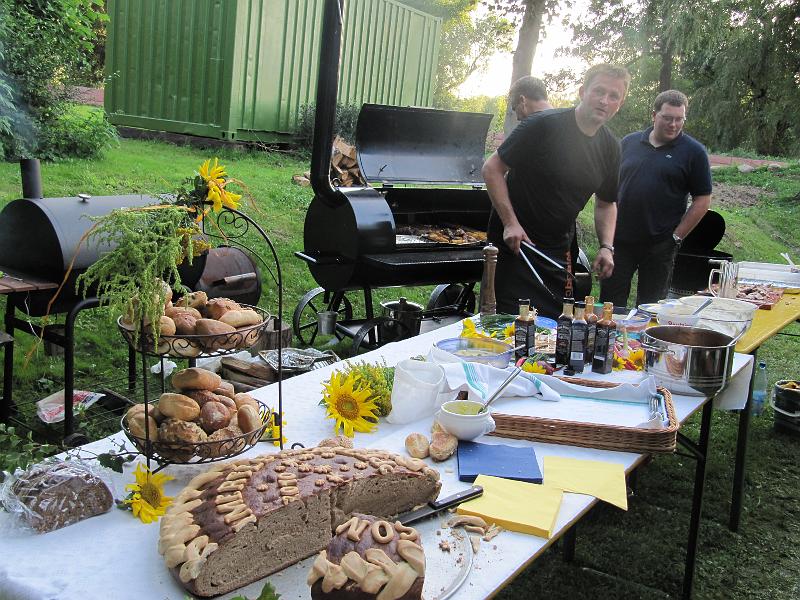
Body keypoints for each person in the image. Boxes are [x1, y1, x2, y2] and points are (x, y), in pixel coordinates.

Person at [482, 64, 630, 318]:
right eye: (599, 91)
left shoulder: (610, 147)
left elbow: (606, 203)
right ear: (583, 91)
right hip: (517, 244)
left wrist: (607, 246)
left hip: (558, 250)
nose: (605, 101)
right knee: (508, 323)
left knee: (555, 324)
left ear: (620, 103)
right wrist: (510, 223)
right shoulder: (542, 125)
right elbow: (492, 168)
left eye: (613, 96)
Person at [600, 90, 712, 307]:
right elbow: (609, 187)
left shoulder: (694, 152)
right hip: (620, 240)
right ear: (654, 115)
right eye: (667, 118)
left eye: (679, 119)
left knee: (651, 308)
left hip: (660, 244)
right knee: (610, 305)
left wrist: (676, 238)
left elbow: (702, 200)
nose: (673, 124)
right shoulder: (629, 143)